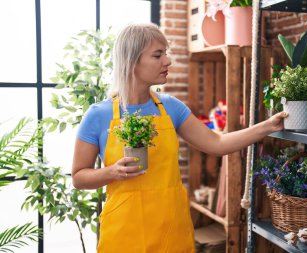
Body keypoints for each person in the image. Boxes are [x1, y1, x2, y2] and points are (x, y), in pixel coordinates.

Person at [72, 23, 288, 253]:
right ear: (132, 61)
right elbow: (78, 177)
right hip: (124, 231)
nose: (167, 61)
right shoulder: (99, 115)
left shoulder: (171, 108)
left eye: (166, 54)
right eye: (158, 55)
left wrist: (267, 126)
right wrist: (111, 172)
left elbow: (217, 144)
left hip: (171, 227)